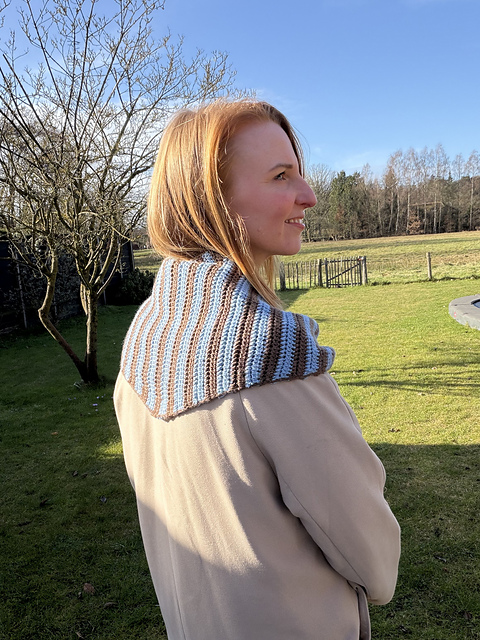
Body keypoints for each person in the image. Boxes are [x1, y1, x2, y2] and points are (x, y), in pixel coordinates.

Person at [114, 98, 400, 640]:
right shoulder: (268, 355)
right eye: (280, 176)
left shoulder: (144, 340)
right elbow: (373, 558)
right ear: (210, 201)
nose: (308, 195)